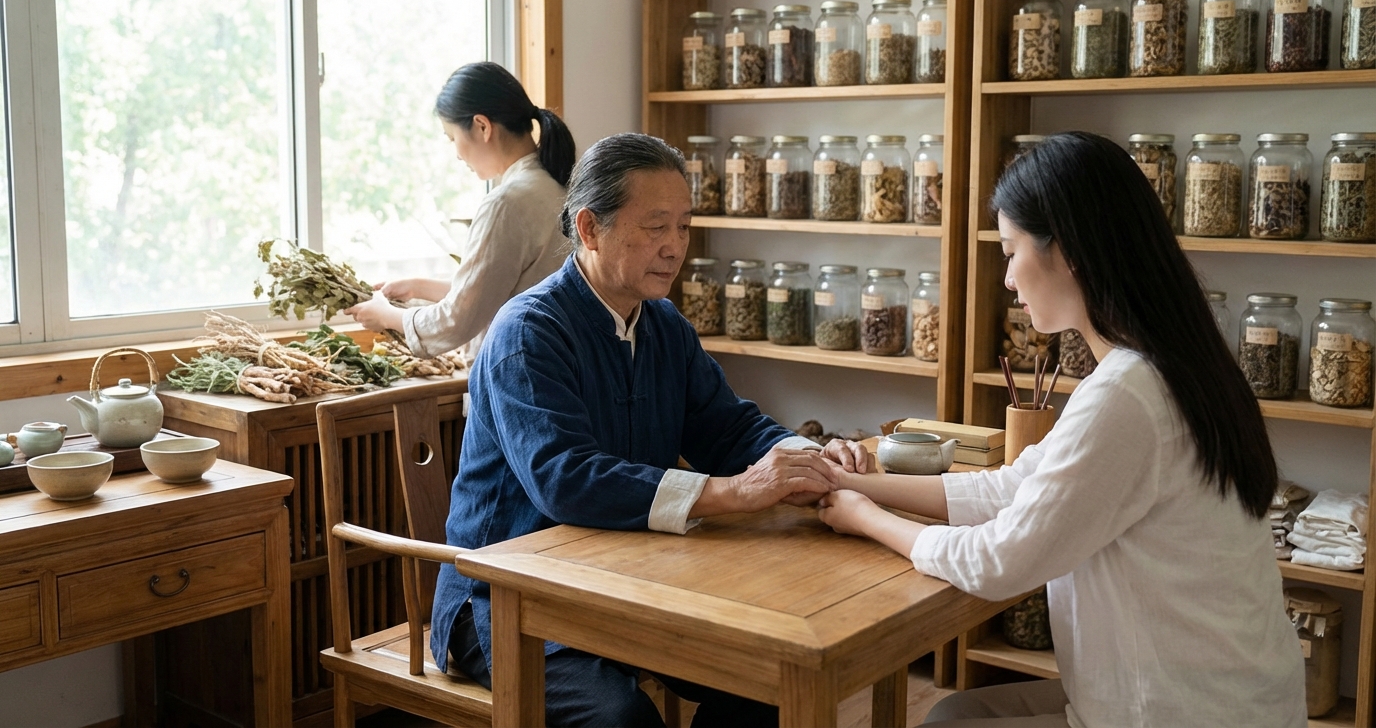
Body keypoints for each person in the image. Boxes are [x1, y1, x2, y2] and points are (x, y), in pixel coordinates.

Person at [817, 132, 1306, 727]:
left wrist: (863, 520)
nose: (1007, 280)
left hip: (1183, 711)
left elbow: (1000, 561)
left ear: (1067, 249)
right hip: (1225, 699)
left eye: (1010, 250)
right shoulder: (1166, 366)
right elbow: (1018, 486)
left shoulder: (1128, 393)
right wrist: (861, 487)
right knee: (953, 714)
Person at [429, 133, 872, 727]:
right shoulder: (528, 332)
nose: (675, 248)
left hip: (626, 583)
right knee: (620, 719)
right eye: (656, 226)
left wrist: (811, 457)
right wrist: (735, 492)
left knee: (766, 682)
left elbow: (728, 426)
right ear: (589, 228)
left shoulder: (663, 324)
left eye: (684, 227)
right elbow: (566, 479)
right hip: (506, 602)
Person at [345, 61, 574, 362]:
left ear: (482, 126)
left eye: (452, 138)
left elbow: (458, 320)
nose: (456, 153)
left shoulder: (506, 202)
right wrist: (418, 286)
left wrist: (388, 316)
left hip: (521, 370)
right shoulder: (552, 185)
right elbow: (497, 290)